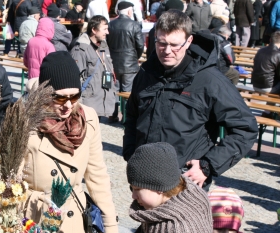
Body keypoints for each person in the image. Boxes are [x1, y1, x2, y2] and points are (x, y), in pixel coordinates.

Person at [123, 10, 258, 190]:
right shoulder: (147, 73)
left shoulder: (210, 80)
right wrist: (131, 153)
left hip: (185, 182)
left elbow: (245, 128)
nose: (167, 51)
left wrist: (207, 165)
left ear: (189, 41)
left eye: (174, 44)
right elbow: (132, 115)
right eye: (161, 43)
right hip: (145, 178)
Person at [23, 51, 119, 233]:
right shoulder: (24, 119)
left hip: (72, 219)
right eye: (60, 97)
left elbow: (97, 175)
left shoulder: (88, 118)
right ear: (45, 93)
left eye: (74, 97)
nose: (68, 105)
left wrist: (110, 230)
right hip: (34, 220)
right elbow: (8, 180)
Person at [71, 15, 116, 118]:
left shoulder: (104, 46)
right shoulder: (81, 49)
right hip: (88, 102)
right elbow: (74, 78)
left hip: (102, 100)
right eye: (104, 29)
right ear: (94, 30)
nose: (107, 32)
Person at [107, 1, 143, 122]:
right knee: (128, 91)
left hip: (113, 62)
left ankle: (113, 114)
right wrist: (135, 57)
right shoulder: (134, 25)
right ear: (129, 11)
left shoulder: (110, 25)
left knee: (114, 90)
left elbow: (107, 43)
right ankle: (126, 117)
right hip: (130, 64)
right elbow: (140, 46)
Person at [252, 30, 280, 114]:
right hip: (267, 87)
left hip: (255, 85)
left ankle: (267, 111)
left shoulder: (260, 50)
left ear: (270, 40)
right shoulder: (278, 54)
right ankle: (273, 112)